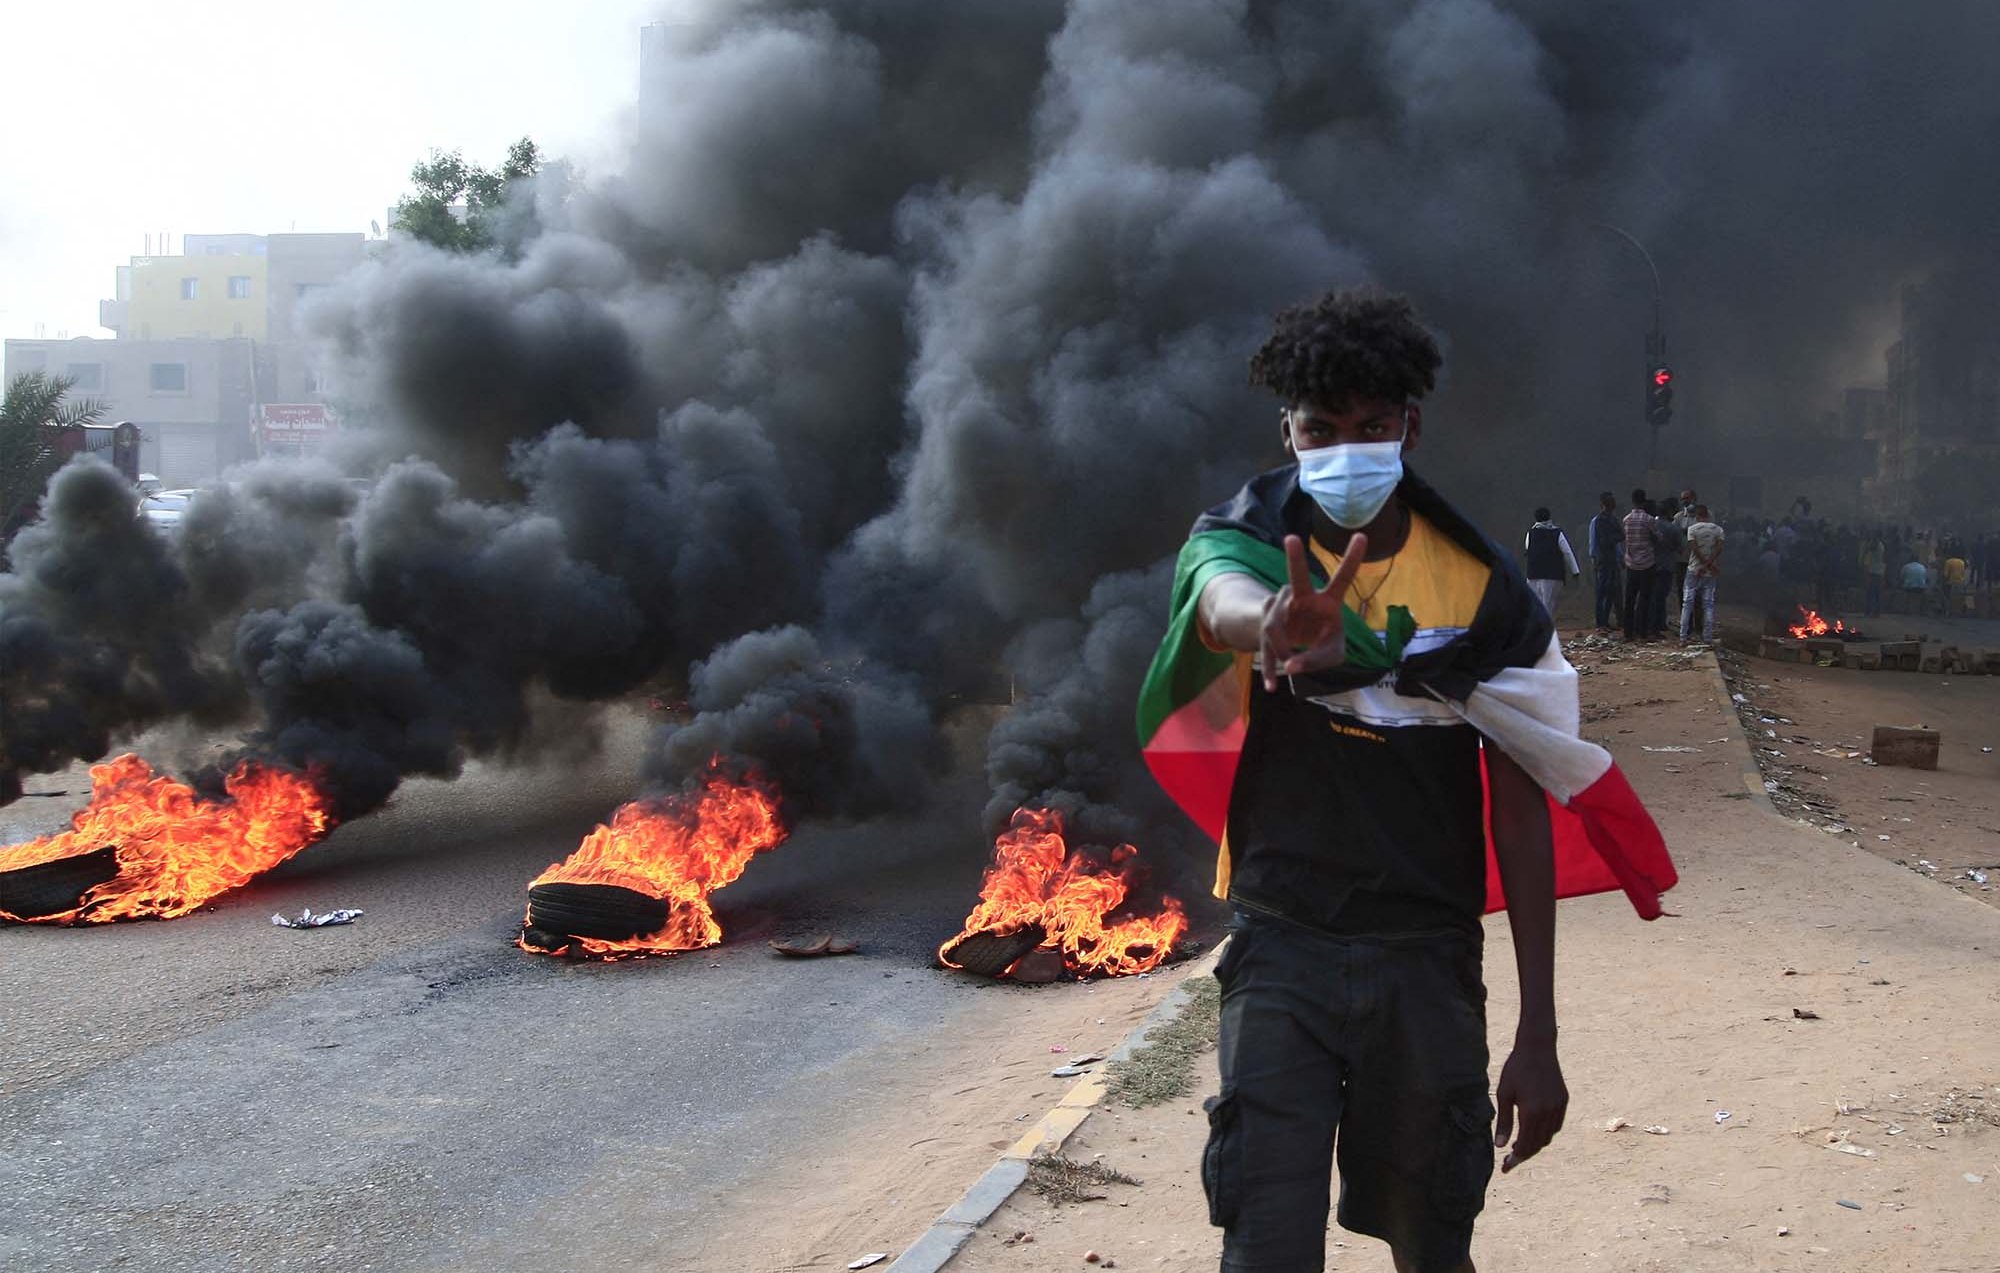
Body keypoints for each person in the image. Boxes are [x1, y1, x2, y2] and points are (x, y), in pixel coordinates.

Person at [1155, 289, 1628, 1273]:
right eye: (1319, 429)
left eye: (1370, 427)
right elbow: (1218, 595)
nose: (1345, 450)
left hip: (1424, 961)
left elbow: (1521, 802)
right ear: (1284, 431)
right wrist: (1273, 623)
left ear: (1409, 425)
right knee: (1264, 1242)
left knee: (1429, 1244)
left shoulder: (1483, 594)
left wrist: (1536, 1032)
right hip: (1281, 945)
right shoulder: (1244, 533)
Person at [1523, 507, 1580, 619]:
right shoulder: (1557, 533)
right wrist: (1575, 571)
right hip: (1553, 575)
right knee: (1548, 604)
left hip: (1533, 574)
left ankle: (1539, 631)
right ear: (1549, 517)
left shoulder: (1530, 533)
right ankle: (1546, 631)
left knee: (1536, 604)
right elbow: (1567, 552)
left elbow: (1527, 549)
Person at [1680, 504, 1724, 644]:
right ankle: (1707, 638)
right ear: (1708, 515)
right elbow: (1719, 549)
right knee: (1708, 604)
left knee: (1687, 603)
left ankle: (1683, 637)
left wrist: (1702, 565)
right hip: (1710, 573)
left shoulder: (1692, 529)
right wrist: (1709, 565)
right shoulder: (1718, 530)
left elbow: (1694, 549)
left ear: (1697, 516)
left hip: (1693, 570)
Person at [1621, 489, 1659, 641]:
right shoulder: (1649, 519)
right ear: (1644, 501)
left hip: (1631, 563)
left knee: (1629, 599)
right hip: (1647, 563)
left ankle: (1628, 633)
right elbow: (1658, 537)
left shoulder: (1626, 519)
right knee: (1644, 598)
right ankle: (1642, 631)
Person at [1587, 492, 1622, 632]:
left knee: (1609, 591)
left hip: (1608, 558)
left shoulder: (1610, 520)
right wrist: (1594, 558)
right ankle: (1601, 623)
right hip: (1603, 559)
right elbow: (1595, 542)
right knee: (1603, 591)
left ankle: (1604, 621)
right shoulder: (1599, 521)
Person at [1862, 535, 1886, 617]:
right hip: (1877, 572)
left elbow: (1868, 549)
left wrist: (1865, 550)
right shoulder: (1880, 546)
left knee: (1872, 593)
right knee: (1874, 593)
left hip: (1875, 572)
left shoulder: (1877, 546)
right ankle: (1873, 612)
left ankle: (1871, 611)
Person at [1942, 551, 1967, 617]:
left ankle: (1948, 611)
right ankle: (1960, 609)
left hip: (1951, 582)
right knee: (1959, 597)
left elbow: (1945, 575)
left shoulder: (1948, 561)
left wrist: (1943, 581)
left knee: (1948, 597)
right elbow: (1963, 573)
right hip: (1961, 582)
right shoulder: (1962, 562)